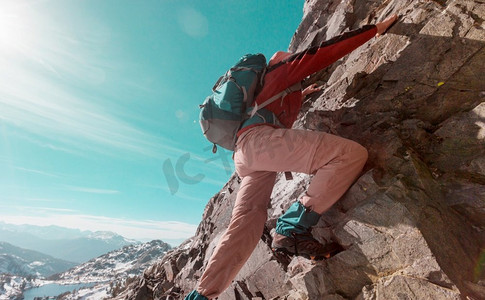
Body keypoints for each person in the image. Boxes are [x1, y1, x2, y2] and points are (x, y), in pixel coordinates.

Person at [185, 15, 399, 300]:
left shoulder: (269, 90)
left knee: (245, 223)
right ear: (277, 61)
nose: (292, 57)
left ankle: (202, 295)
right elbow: (323, 53)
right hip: (260, 144)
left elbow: (273, 105)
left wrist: (303, 92)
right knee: (349, 155)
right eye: (288, 57)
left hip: (244, 155)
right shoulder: (280, 69)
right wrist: (373, 30)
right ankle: (292, 226)